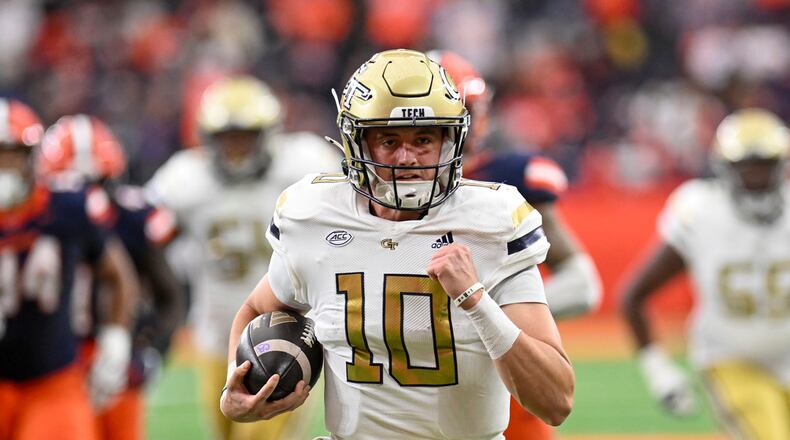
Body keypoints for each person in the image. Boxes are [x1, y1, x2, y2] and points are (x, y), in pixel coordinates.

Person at [220, 49, 574, 439]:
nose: (407, 157)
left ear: (451, 141)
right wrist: (234, 386)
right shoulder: (313, 216)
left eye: (424, 139)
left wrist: (475, 299)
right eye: (389, 140)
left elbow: (555, 400)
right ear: (357, 143)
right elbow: (257, 307)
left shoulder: (493, 221)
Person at [145, 75, 339, 440]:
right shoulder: (186, 180)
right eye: (227, 138)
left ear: (270, 133)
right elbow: (144, 238)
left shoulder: (301, 166)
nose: (236, 149)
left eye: (246, 136)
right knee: (227, 431)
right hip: (215, 332)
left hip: (287, 329)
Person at [429, 49, 602, 439]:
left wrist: (485, 317)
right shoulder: (364, 194)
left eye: (468, 111)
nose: (466, 126)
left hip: (496, 370)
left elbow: (584, 284)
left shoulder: (509, 181)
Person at [621, 108, 790, 439]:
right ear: (726, 168)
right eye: (747, 168)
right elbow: (633, 295)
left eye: (765, 166)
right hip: (731, 359)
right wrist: (658, 370)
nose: (756, 178)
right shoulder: (702, 211)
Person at [37, 114, 185, 440]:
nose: (84, 200)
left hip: (116, 351)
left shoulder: (133, 218)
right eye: (71, 187)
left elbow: (170, 293)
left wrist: (151, 352)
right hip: (52, 356)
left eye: (95, 184)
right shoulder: (34, 221)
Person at [0, 99, 138, 440]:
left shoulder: (67, 208)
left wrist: (116, 338)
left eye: (9, 154)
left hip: (53, 378)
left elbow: (118, 275)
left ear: (31, 158)